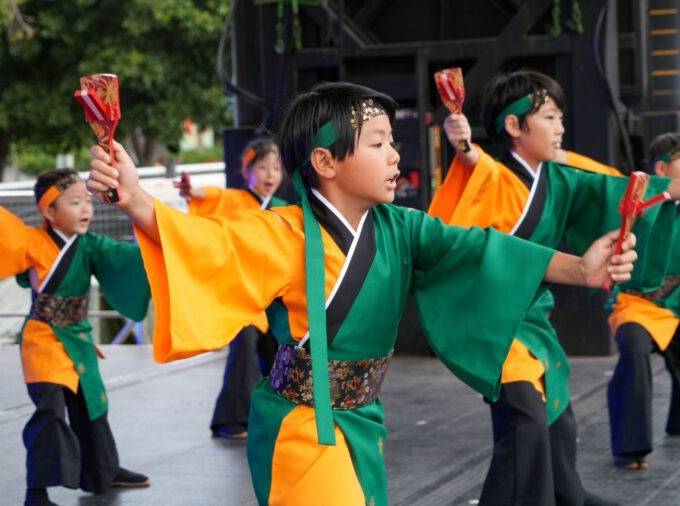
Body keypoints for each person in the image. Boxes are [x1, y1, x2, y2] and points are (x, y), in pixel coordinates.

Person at [87, 81, 637, 506]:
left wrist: (582, 270)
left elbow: (483, 250)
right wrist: (135, 199)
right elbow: (210, 244)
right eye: (378, 144)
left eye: (392, 142)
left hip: (363, 420)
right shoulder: (287, 232)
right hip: (302, 427)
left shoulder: (401, 227)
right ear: (325, 162)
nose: (395, 155)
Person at [429, 69, 680, 506]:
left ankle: (566, 498)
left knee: (558, 427)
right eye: (549, 116)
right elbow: (477, 166)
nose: (560, 127)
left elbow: (614, 191)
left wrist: (669, 190)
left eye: (560, 117)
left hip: (532, 321)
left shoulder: (559, 178)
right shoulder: (494, 176)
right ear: (513, 126)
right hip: (493, 323)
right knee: (525, 418)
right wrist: (464, 144)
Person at [0, 167, 152, 506]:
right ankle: (36, 492)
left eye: (87, 202)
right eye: (75, 202)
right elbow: (2, 226)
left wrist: (157, 239)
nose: (86, 210)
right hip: (44, 339)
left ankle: (103, 471)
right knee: (50, 413)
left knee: (92, 404)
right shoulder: (33, 241)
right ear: (49, 212)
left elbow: (128, 259)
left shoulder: (89, 244)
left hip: (77, 337)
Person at [174, 137, 288, 439]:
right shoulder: (233, 200)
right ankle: (232, 420)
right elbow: (206, 196)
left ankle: (278, 416)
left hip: (274, 297)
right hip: (240, 295)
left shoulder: (283, 209)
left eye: (276, 168)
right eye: (262, 167)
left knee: (280, 355)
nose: (270, 175)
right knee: (245, 350)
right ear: (246, 170)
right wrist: (191, 191)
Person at [606, 132, 680, 471]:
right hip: (637, 304)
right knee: (634, 350)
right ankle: (630, 448)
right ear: (662, 168)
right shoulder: (636, 203)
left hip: (677, 303)